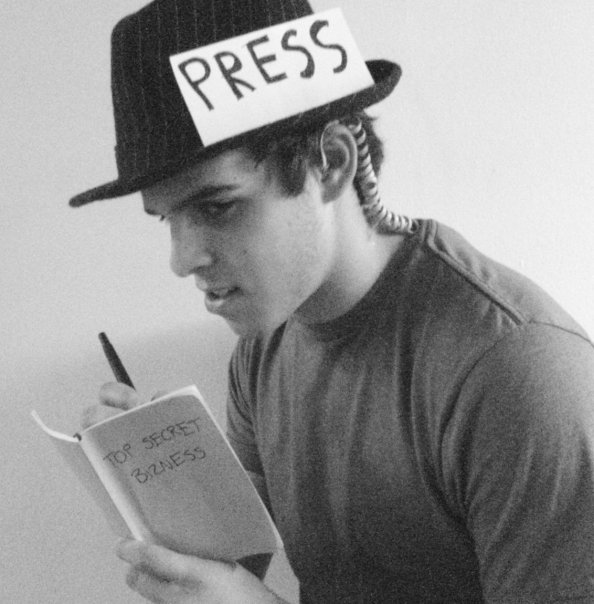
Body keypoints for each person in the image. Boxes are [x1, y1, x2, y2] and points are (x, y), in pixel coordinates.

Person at [74, 1, 594, 602]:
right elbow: (236, 568)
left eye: (217, 207)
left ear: (332, 164)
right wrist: (171, 476)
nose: (182, 259)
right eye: (167, 219)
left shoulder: (515, 371)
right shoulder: (264, 344)